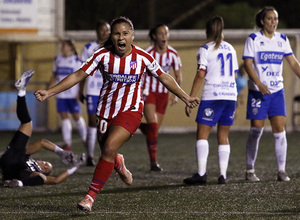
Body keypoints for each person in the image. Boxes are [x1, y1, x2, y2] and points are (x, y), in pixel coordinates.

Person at [34, 17, 200, 212]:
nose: (121, 37)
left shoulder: (142, 57)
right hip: (105, 111)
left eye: (125, 33)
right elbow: (78, 75)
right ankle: (118, 162)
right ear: (111, 37)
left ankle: (90, 197)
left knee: (109, 147)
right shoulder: (102, 55)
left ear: (132, 36)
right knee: (108, 151)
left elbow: (164, 76)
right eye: (117, 34)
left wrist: (185, 97)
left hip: (131, 111)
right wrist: (49, 92)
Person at [243, 6, 300, 182]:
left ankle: (281, 170)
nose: (273, 22)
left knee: (279, 130)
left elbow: (293, 62)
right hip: (258, 92)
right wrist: (258, 83)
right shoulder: (253, 39)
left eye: (275, 19)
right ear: (262, 21)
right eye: (269, 19)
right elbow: (247, 64)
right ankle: (250, 170)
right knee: (256, 130)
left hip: (277, 92)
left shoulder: (282, 40)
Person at [0, 70, 85, 188]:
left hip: (13, 172)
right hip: (11, 156)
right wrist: (61, 152)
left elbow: (56, 180)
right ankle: (21, 91)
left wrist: (75, 167)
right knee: (27, 123)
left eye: (46, 169)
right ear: (40, 160)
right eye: (46, 164)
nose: (44, 167)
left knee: (40, 177)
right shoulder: (27, 156)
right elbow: (42, 143)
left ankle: (18, 183)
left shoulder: (36, 172)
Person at [183, 16, 238, 185]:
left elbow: (201, 73)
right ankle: (222, 175)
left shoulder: (205, 49)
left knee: (202, 135)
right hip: (230, 95)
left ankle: (201, 173)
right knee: (223, 136)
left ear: (207, 31)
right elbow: (234, 74)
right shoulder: (231, 48)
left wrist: (190, 96)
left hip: (213, 96)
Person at [139, 24, 182, 171]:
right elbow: (140, 73)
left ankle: (137, 124)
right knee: (153, 124)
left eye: (166, 33)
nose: (164, 36)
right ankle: (153, 162)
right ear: (154, 36)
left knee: (154, 130)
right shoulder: (147, 53)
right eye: (161, 33)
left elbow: (178, 76)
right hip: (149, 92)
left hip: (163, 94)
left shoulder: (173, 54)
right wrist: (140, 90)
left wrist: (175, 95)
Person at [79, 20, 111, 166]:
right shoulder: (88, 48)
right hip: (92, 90)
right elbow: (82, 71)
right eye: (102, 30)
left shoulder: (113, 47)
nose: (105, 33)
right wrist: (80, 90)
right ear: (97, 31)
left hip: (109, 90)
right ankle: (90, 156)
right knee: (93, 122)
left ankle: (107, 155)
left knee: (107, 124)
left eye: (107, 30)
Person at [48, 39, 87, 151]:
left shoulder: (76, 60)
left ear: (70, 47)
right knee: (64, 117)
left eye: (64, 46)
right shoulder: (58, 59)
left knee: (76, 116)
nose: (62, 48)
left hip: (72, 93)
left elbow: (80, 77)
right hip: (60, 94)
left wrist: (79, 93)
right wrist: (48, 89)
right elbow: (54, 75)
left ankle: (85, 139)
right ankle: (67, 143)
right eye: (62, 46)